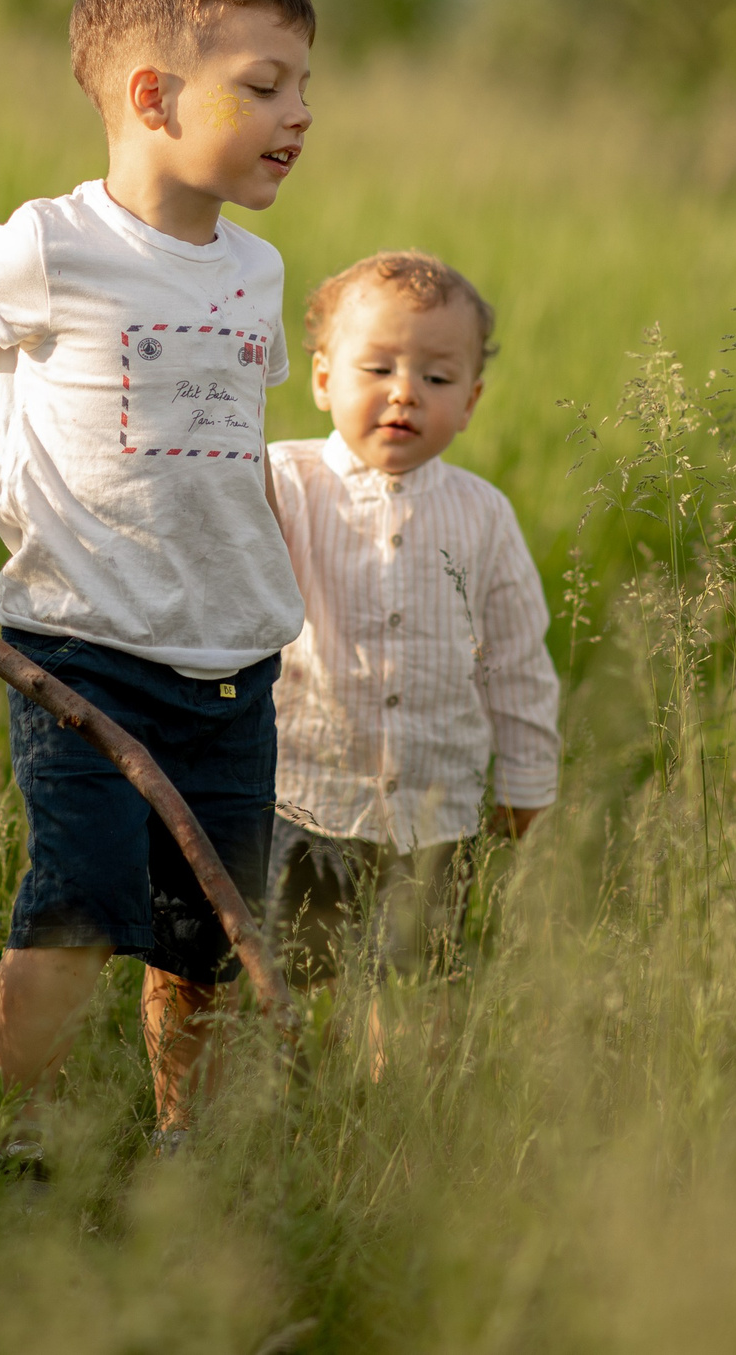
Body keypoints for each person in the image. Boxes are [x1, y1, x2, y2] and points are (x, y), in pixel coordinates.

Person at [0, 0, 314, 1160]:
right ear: (152, 97)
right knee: (77, 911)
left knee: (204, 928)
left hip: (229, 664)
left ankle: (181, 1145)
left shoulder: (255, 270)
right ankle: (20, 1136)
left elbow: (224, 450)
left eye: (304, 88)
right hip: (86, 652)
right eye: (264, 87)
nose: (298, 115)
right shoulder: (54, 245)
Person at [264, 252, 560, 1050]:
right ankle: (281, 1108)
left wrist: (527, 777)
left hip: (435, 808)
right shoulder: (283, 485)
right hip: (303, 793)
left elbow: (517, 660)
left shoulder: (484, 516)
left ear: (471, 401)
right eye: (379, 367)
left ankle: (389, 1120)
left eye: (435, 377)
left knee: (418, 982)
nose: (404, 392)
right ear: (323, 379)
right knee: (285, 972)